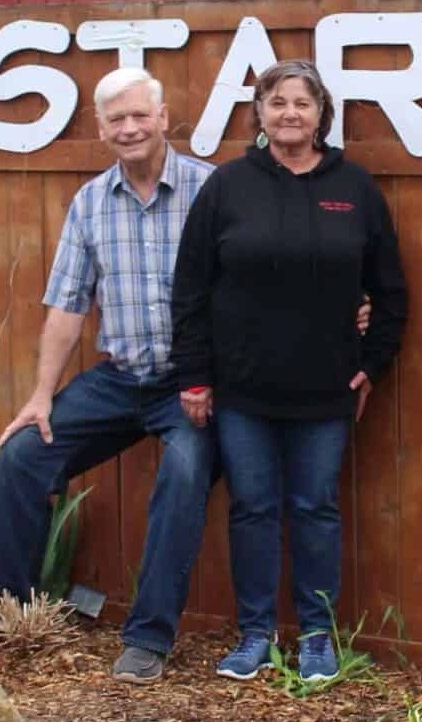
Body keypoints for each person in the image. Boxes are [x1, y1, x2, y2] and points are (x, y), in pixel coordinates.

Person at [0, 66, 218, 683]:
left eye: (141, 115)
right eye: (117, 119)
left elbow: (249, 291)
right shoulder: (92, 201)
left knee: (186, 473)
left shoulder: (211, 191)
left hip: (190, 386)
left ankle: (149, 638)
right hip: (118, 381)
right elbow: (66, 306)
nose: (131, 127)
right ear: (101, 128)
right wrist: (41, 396)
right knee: (27, 452)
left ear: (165, 119)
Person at [170, 58, 408, 683]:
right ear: (260, 115)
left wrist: (372, 364)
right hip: (242, 389)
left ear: (321, 114)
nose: (290, 114)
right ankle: (254, 635)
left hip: (326, 390)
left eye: (302, 103)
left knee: (315, 508)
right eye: (278, 103)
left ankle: (318, 639)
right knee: (251, 509)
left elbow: (391, 291)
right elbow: (190, 287)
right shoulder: (227, 187)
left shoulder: (354, 189)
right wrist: (193, 375)